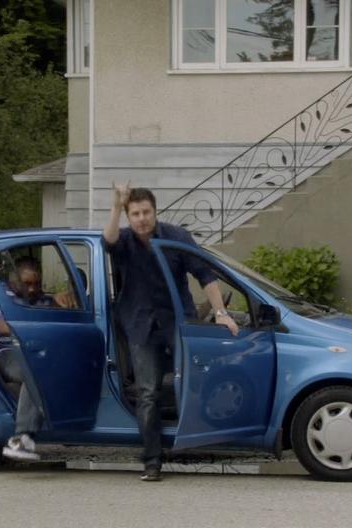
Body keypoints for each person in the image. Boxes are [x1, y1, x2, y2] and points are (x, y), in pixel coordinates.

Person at [103, 183, 239, 482]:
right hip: (140, 326)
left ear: (155, 211)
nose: (142, 218)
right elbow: (108, 240)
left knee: (192, 382)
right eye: (135, 213)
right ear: (129, 216)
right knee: (148, 392)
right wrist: (116, 204)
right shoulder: (124, 240)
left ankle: (200, 444)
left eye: (146, 212)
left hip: (178, 322)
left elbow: (205, 275)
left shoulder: (177, 237)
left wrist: (221, 313)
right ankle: (152, 461)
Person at [0, 256, 73, 461]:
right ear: (13, 281)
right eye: (27, 284)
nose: (32, 289)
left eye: (36, 284)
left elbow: (52, 311)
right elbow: (4, 327)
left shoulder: (35, 298)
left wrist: (60, 301)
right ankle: (21, 438)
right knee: (37, 369)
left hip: (29, 349)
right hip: (2, 352)